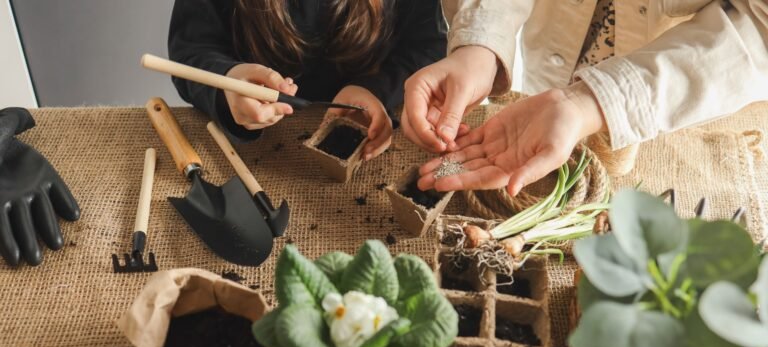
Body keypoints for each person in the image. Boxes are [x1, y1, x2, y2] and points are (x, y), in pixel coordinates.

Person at [406, 0, 768, 196]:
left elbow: (759, 23)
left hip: (675, 91)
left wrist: (596, 100)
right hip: (549, 50)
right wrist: (480, 43)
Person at [168, 0, 447, 161]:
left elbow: (427, 48)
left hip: (371, 137)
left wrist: (376, 89)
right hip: (255, 152)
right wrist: (227, 83)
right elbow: (191, 51)